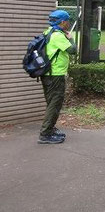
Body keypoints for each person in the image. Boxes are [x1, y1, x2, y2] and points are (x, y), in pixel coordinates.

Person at [38, 10, 77, 144]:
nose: (68, 23)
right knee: (55, 104)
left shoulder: (47, 32)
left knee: (51, 103)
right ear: (62, 22)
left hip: (47, 74)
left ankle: (50, 128)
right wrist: (71, 38)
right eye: (67, 21)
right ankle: (45, 134)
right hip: (55, 75)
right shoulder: (58, 36)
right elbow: (73, 50)